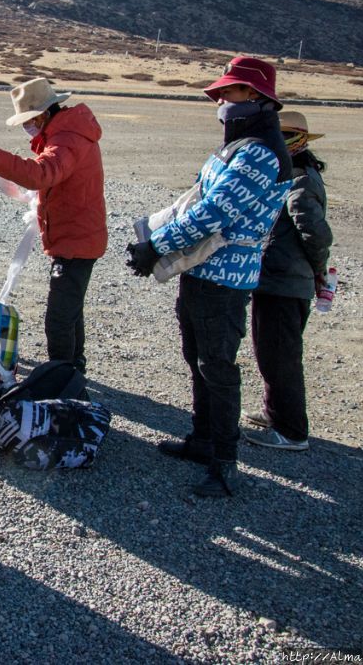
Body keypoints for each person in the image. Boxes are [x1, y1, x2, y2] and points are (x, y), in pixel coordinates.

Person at [125, 56, 292, 498]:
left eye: (229, 92)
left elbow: (213, 213)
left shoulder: (257, 152)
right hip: (202, 272)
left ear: (255, 96)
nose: (219, 100)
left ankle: (224, 461)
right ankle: (203, 440)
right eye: (218, 93)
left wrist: (156, 245)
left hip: (225, 280)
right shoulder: (241, 144)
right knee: (198, 358)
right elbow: (199, 197)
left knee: (217, 367)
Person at [0, 78, 106, 375]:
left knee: (59, 319)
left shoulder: (67, 138)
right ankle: (73, 370)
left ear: (42, 115)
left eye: (28, 121)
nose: (26, 127)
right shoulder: (67, 133)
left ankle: (62, 377)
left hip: (76, 240)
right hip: (77, 237)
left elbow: (42, 174)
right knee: (70, 312)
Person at [244, 111, 333, 452]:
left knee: (280, 354)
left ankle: (292, 431)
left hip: (284, 279)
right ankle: (275, 413)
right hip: (277, 277)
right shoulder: (292, 173)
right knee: (270, 350)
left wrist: (318, 269)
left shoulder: (298, 179)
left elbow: (315, 233)